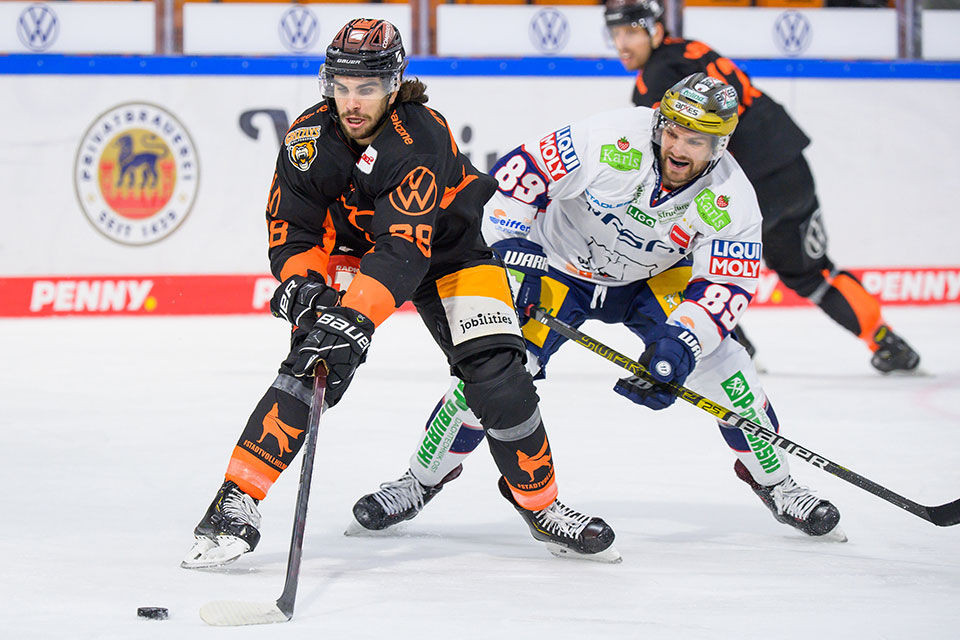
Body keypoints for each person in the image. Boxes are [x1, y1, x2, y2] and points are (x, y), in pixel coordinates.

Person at [181, 18, 619, 569]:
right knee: (314, 361)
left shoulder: (421, 135)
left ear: (393, 85)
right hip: (353, 256)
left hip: (447, 253)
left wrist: (355, 320)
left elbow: (403, 253)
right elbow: (292, 228)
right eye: (341, 86)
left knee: (499, 377)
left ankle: (542, 504)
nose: (352, 101)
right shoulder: (306, 140)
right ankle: (234, 501)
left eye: (365, 88)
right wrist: (302, 285)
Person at [350, 73, 846, 543]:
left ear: (720, 146)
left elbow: (724, 286)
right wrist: (512, 260)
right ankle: (418, 480)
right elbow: (514, 182)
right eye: (674, 132)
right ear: (658, 122)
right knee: (491, 377)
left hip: (650, 281)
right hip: (558, 268)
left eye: (697, 141)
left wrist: (682, 343)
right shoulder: (610, 138)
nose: (679, 149)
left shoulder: (733, 199)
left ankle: (778, 483)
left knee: (730, 374)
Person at [604, 0, 919, 374]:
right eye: (616, 34)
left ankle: (733, 351)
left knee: (680, 262)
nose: (622, 43)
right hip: (791, 168)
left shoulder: (655, 77)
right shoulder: (693, 49)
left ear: (655, 31)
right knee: (812, 272)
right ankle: (886, 341)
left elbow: (671, 154)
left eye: (630, 32)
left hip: (744, 188)